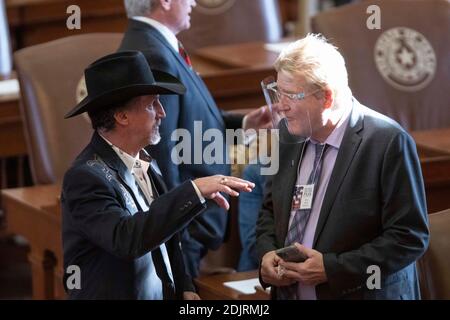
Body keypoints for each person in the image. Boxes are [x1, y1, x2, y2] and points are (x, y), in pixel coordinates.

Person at [61, 51, 254, 300]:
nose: (162, 112)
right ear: (122, 116)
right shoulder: (85, 177)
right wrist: (192, 190)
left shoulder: (147, 161)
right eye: (152, 104)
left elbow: (169, 238)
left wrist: (184, 285)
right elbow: (126, 238)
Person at [256, 34, 429, 300]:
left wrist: (332, 268)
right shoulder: (287, 134)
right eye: (277, 92)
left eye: (291, 95)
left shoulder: (387, 142)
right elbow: (270, 210)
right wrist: (267, 253)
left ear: (326, 97)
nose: (281, 106)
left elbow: (409, 236)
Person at [118, 0, 271, 277]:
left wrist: (244, 124)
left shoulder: (156, 44)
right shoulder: (153, 54)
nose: (193, 2)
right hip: (185, 227)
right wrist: (180, 235)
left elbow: (188, 123)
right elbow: (160, 155)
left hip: (190, 222)